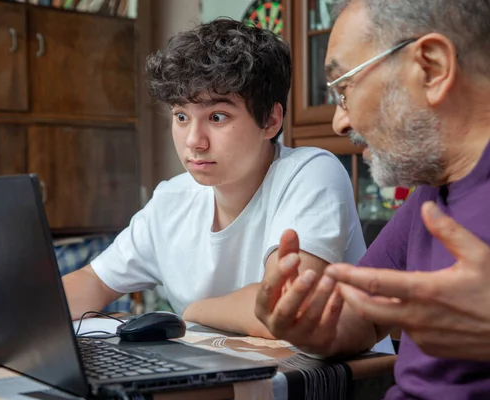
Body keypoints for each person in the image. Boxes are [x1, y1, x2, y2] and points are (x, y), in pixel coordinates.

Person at [63, 18, 366, 339]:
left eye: (217, 117)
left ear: (271, 121)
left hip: (323, 382)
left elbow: (284, 306)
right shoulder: (171, 200)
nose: (194, 140)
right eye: (181, 116)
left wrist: (193, 311)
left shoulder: (311, 172)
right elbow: (92, 283)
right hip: (221, 377)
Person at [254, 0, 490, 398]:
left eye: (344, 89)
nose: (339, 121)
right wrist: (312, 328)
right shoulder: (431, 191)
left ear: (430, 68)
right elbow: (359, 317)